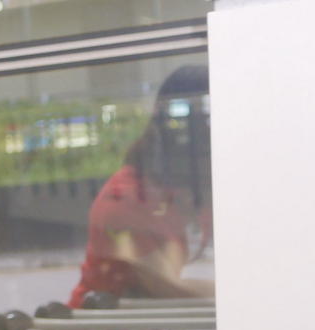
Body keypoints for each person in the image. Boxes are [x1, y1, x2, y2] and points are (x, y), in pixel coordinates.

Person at [68, 64, 214, 309]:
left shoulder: (180, 192)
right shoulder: (124, 199)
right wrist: (244, 292)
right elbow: (166, 287)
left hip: (140, 326)